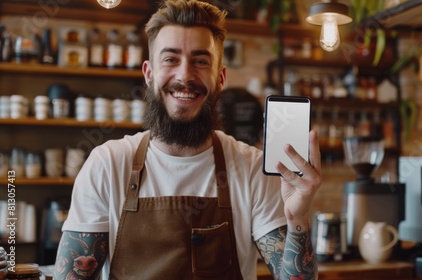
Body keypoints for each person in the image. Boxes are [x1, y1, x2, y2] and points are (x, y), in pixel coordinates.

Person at [54, 0, 322, 279]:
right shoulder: (108, 164)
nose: (185, 75)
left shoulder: (252, 168)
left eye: (200, 61)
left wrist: (297, 220)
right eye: (170, 59)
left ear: (220, 78)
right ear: (149, 73)